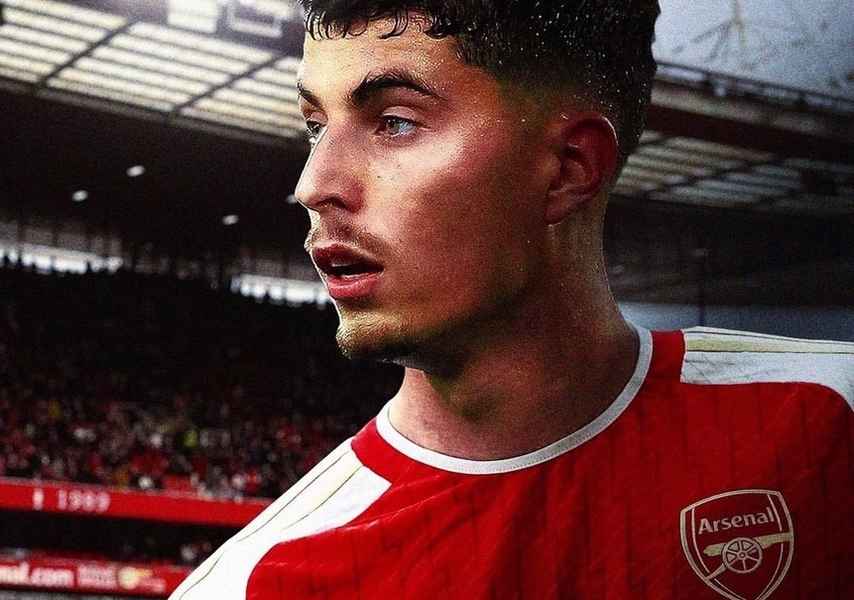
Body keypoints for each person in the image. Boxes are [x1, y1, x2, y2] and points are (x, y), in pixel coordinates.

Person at [171, 1, 853, 599]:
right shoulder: (256, 584)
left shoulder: (831, 418)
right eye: (316, 125)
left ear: (568, 170)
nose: (313, 184)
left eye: (395, 122)